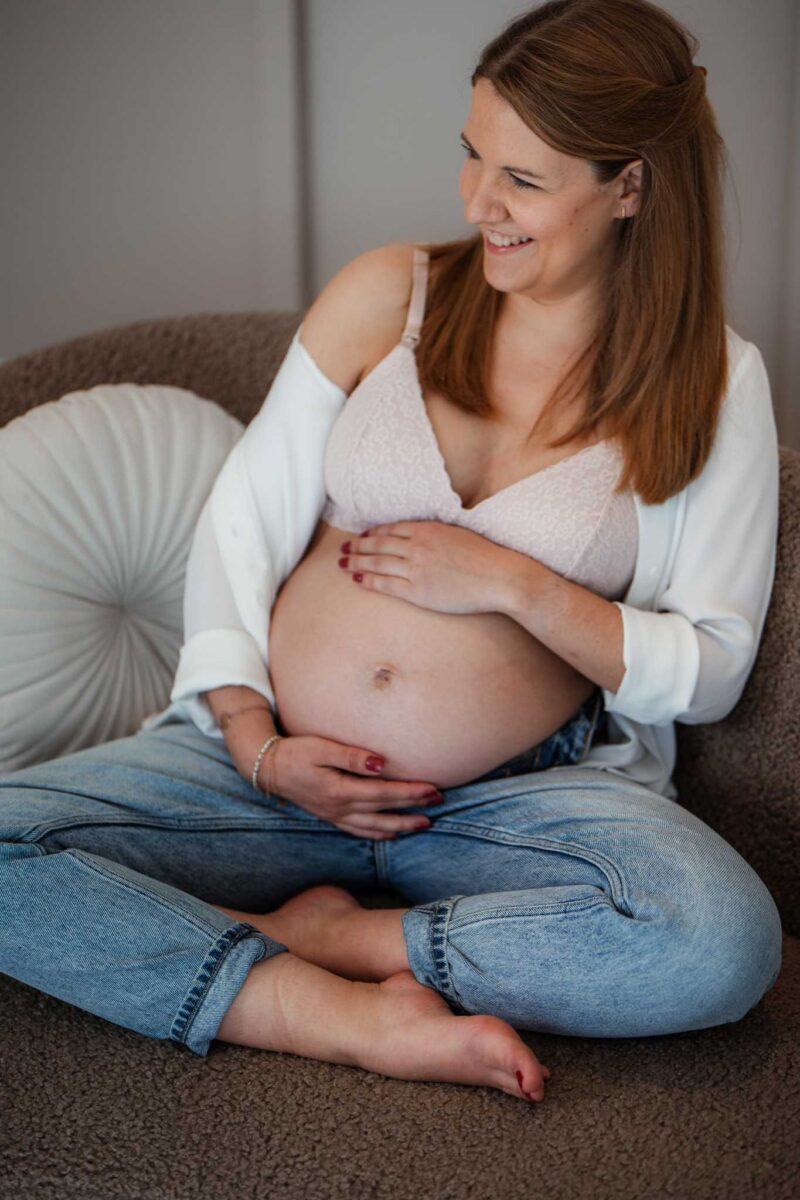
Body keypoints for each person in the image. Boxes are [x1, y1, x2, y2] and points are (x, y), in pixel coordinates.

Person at [0, 0, 782, 1107]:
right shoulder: (393, 292)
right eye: (472, 156)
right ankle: (323, 1009)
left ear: (629, 185)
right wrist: (256, 741)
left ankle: (369, 942)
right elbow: (241, 521)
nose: (477, 202)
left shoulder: (711, 378)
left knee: (719, 942)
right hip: (266, 777)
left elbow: (712, 665)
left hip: (508, 807)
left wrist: (510, 583)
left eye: (522, 178)